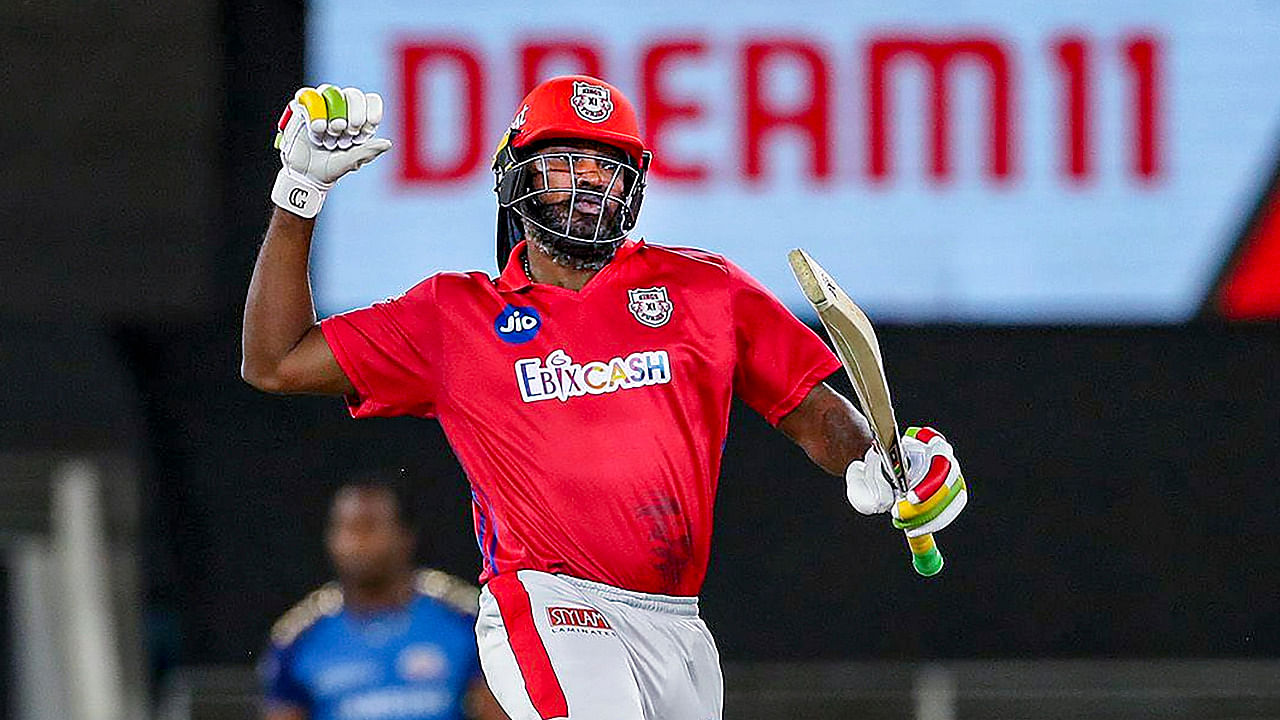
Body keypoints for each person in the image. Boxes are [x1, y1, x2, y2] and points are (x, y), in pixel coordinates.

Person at [244, 76, 969, 720]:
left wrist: (880, 461)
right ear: (517, 179)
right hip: (549, 601)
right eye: (566, 163)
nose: (590, 181)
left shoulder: (704, 288)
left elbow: (813, 411)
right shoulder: (453, 315)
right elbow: (275, 362)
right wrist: (298, 198)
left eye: (607, 166)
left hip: (677, 620)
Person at [259, 477, 507, 720]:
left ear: (405, 536)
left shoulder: (463, 620)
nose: (355, 542)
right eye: (346, 529)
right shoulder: (298, 639)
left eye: (369, 527)